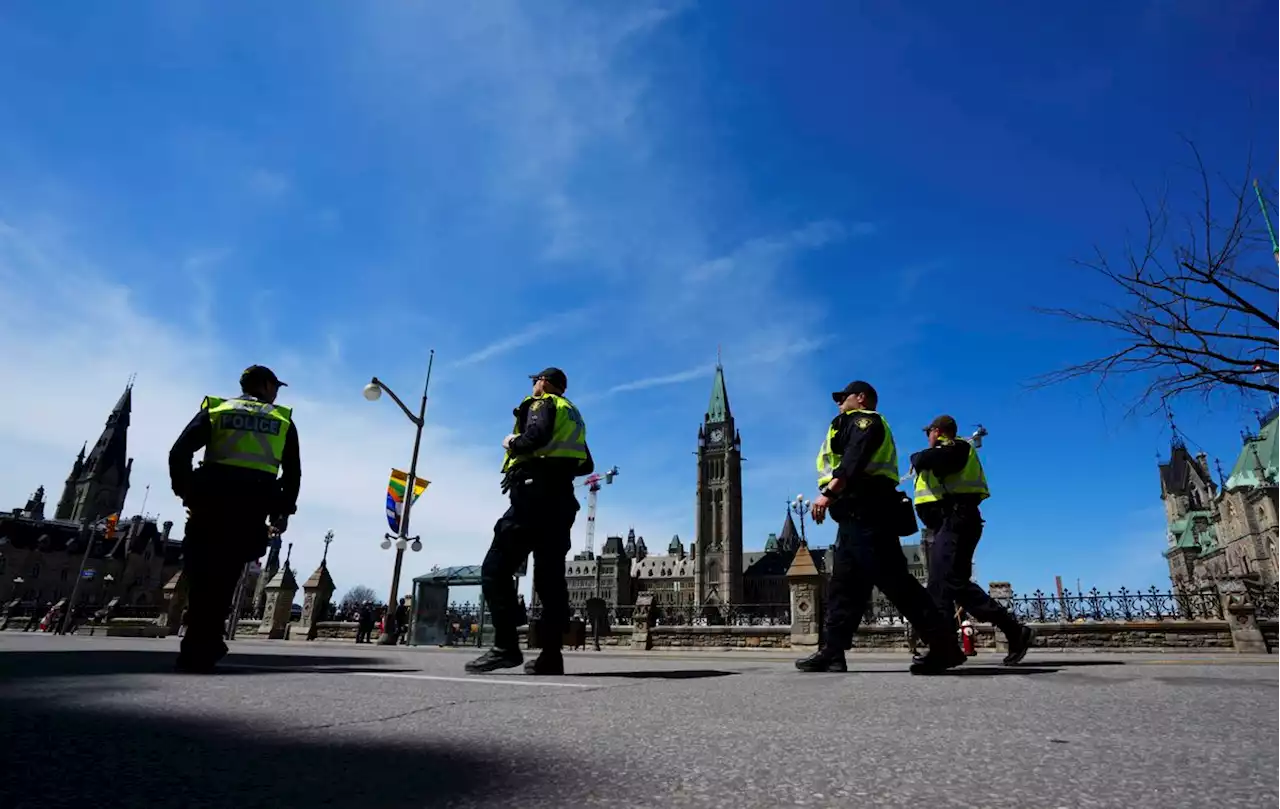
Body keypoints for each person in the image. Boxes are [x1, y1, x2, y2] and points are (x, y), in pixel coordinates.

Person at [795, 380, 966, 675]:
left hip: (869, 510)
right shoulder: (846, 423)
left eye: (843, 397)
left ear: (861, 398)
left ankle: (944, 645)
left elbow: (854, 459)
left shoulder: (865, 422)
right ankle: (833, 651)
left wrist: (829, 493)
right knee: (843, 586)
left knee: (896, 582)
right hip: (852, 514)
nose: (838, 402)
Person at [169, 365, 301, 673]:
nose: (277, 393)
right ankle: (205, 642)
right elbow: (292, 473)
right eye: (276, 387)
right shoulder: (280, 419)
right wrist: (282, 511)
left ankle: (198, 643)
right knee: (226, 575)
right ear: (266, 386)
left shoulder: (218, 409)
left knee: (201, 574)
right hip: (250, 507)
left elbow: (179, 452)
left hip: (210, 502)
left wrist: (187, 491)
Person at [467, 367, 592, 676]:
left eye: (536, 380)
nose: (534, 385)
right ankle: (551, 656)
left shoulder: (541, 403)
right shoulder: (573, 415)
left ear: (544, 382)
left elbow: (535, 437)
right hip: (562, 502)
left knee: (495, 569)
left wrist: (512, 442)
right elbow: (587, 464)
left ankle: (506, 646)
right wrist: (558, 469)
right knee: (550, 582)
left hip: (533, 496)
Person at [910, 414, 1034, 665]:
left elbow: (923, 458)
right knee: (953, 585)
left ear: (938, 431)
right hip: (950, 523)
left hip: (957, 520)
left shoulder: (956, 447)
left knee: (941, 583)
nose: (927, 438)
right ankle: (1012, 630)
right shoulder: (948, 451)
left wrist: (918, 457)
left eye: (929, 432)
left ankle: (944, 648)